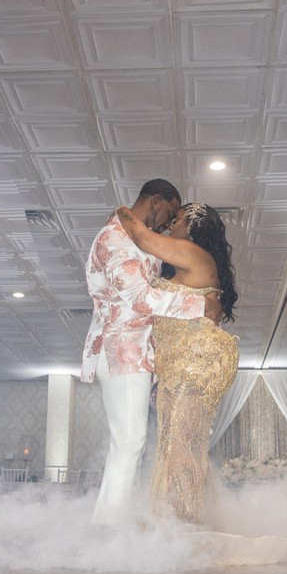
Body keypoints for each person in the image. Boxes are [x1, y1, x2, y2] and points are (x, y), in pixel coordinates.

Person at [82, 179, 221, 527]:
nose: (168, 223)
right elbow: (140, 299)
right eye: (170, 213)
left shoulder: (132, 236)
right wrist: (198, 306)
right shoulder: (113, 239)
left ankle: (110, 525)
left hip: (139, 354)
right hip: (120, 350)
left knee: (132, 443)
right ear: (156, 202)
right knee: (129, 441)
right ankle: (107, 530)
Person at [114, 201, 239, 525]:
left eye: (178, 218)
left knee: (179, 445)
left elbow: (141, 237)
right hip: (178, 362)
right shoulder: (186, 259)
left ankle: (183, 523)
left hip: (196, 358)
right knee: (176, 444)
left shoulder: (193, 253)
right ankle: (185, 517)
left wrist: (123, 210)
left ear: (193, 226)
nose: (171, 223)